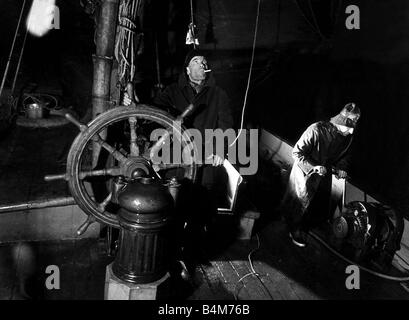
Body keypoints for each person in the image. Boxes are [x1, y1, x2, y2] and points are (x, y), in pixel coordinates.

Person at [282, 102, 361, 247]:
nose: (347, 133)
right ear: (338, 123)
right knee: (299, 203)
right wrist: (313, 167)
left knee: (316, 204)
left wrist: (342, 168)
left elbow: (344, 157)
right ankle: (293, 230)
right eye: (346, 129)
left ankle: (303, 226)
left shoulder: (347, 138)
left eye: (350, 130)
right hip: (305, 173)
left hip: (324, 175)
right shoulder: (316, 129)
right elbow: (297, 153)